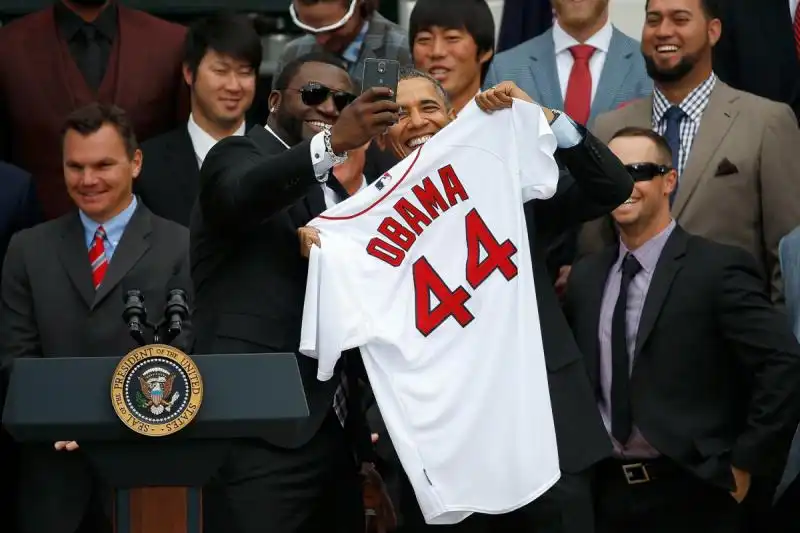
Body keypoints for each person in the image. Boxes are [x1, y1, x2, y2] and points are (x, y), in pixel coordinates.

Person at [315, 66, 630, 533]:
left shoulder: (505, 180)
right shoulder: (359, 230)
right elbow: (355, 351)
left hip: (548, 436)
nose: (417, 121)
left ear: (454, 115)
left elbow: (611, 187)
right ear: (381, 136)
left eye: (429, 107)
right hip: (448, 456)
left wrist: (542, 116)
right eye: (399, 113)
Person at [191, 52, 399, 533]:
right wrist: (334, 142)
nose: (330, 107)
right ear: (275, 100)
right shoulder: (236, 155)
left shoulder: (343, 201)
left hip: (334, 441)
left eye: (343, 100)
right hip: (256, 434)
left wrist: (363, 454)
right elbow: (242, 194)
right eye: (314, 94)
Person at [564, 126, 800, 533]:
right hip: (604, 498)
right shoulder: (585, 279)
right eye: (611, 170)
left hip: (696, 493)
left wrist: (746, 465)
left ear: (669, 180)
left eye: (638, 170)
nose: (625, 184)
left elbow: (783, 364)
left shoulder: (717, 268)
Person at [0, 102, 191, 533]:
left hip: (147, 472)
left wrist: (109, 421)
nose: (88, 180)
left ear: (135, 162)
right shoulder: (28, 250)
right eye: (75, 166)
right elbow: (15, 356)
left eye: (103, 164)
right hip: (52, 477)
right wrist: (61, 417)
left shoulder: (181, 246)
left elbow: (185, 352)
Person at [585, 0, 800, 305]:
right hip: (628, 340)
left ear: (713, 31)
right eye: (654, 20)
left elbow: (789, 258)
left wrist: (776, 346)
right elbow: (594, 252)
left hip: (731, 340)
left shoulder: (766, 124)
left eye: (680, 19)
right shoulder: (609, 129)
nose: (664, 31)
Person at [0, 0, 188, 220]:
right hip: (36, 238)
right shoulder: (7, 48)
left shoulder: (171, 44)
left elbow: (179, 152)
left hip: (149, 242)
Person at [136, 13, 261, 227]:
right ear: (188, 73)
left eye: (245, 72)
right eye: (220, 71)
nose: (233, 86)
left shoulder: (279, 155)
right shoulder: (146, 166)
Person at [275, 0, 411, 87]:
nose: (322, 40)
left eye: (334, 29)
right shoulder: (293, 54)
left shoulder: (401, 50)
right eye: (311, 29)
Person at [408, 0, 496, 115]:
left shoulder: (508, 125)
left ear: (485, 51)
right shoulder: (393, 128)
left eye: (452, 38)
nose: (437, 52)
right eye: (424, 39)